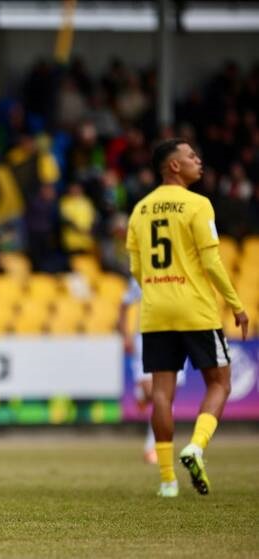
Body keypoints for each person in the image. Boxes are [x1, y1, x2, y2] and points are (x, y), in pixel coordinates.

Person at [125, 139, 249, 498]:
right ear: (174, 166)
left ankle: (167, 481)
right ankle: (195, 447)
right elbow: (211, 262)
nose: (199, 160)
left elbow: (136, 268)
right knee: (220, 383)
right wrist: (236, 305)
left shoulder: (140, 210)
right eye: (191, 156)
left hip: (155, 312)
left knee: (162, 395)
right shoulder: (198, 204)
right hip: (195, 309)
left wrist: (158, 290)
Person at [117, 277, 186, 465]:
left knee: (167, 397)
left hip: (176, 337)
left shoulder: (182, 272)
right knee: (157, 395)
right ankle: (154, 446)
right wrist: (125, 335)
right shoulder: (143, 273)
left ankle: (154, 447)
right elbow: (124, 304)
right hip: (146, 338)